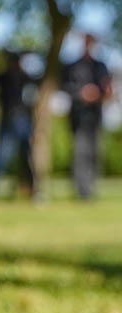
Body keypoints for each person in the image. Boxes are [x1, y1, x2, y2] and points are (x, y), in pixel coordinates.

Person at [0, 49, 36, 203]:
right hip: (8, 121)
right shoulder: (4, 76)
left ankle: (32, 191)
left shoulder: (22, 76)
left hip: (20, 121)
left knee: (24, 157)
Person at [61, 34, 113, 200]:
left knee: (94, 153)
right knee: (80, 152)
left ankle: (90, 189)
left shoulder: (101, 67)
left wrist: (105, 94)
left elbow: (107, 91)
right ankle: (81, 191)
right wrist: (82, 94)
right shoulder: (72, 66)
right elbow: (66, 88)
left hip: (95, 116)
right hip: (78, 116)